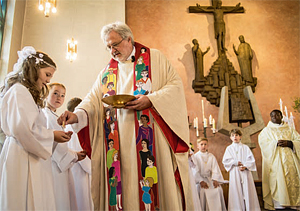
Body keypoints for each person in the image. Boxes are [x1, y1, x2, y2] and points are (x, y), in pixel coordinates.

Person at [57, 22, 193, 210]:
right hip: (118, 141)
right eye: (108, 47)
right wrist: (77, 115)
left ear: (129, 38)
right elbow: (92, 100)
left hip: (150, 137)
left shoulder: (155, 58)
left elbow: (175, 86)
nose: (112, 51)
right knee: (125, 187)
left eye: (115, 44)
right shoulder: (107, 72)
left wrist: (151, 100)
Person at [0, 46, 72, 210]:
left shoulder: (26, 92)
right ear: (34, 68)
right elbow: (22, 129)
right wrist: (52, 135)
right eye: (47, 75)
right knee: (23, 198)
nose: (48, 80)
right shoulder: (19, 91)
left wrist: (51, 136)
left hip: (28, 150)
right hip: (21, 152)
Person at [43, 83, 87, 210]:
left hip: (59, 166)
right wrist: (74, 155)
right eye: (55, 93)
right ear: (46, 95)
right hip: (54, 166)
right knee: (59, 201)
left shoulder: (55, 116)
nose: (59, 98)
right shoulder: (46, 116)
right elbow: (53, 147)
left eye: (62, 95)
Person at [258, 109, 300, 210]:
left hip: (291, 163)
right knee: (278, 183)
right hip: (276, 163)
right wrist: (275, 143)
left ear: (281, 116)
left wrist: (290, 143)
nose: (275, 117)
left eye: (277, 115)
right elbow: (263, 144)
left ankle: (293, 205)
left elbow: (298, 140)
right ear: (270, 117)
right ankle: (280, 204)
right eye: (273, 116)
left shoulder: (290, 129)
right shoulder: (266, 131)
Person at [66, 97, 94, 211]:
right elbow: (81, 150)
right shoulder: (74, 128)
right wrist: (93, 168)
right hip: (80, 169)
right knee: (83, 201)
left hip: (74, 167)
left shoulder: (68, 127)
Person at [222, 129, 260, 211]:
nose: (235, 137)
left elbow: (251, 160)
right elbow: (225, 161)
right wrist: (235, 162)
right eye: (233, 135)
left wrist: (245, 166)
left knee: (247, 190)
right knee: (236, 191)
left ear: (240, 137)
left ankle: (250, 208)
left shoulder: (245, 147)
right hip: (235, 171)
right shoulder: (229, 148)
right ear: (230, 137)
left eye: (236, 135)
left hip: (245, 171)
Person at [194, 137, 226, 211]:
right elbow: (195, 171)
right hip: (200, 180)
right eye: (201, 144)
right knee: (202, 191)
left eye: (205, 144)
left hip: (210, 179)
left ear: (207, 145)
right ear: (197, 146)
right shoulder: (195, 157)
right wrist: (201, 181)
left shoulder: (211, 156)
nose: (203, 146)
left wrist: (215, 179)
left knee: (218, 189)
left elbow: (215, 168)